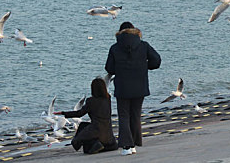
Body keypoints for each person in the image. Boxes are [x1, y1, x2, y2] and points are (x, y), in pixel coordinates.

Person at [105, 22, 161, 156]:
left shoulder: (115, 48)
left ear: (120, 33)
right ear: (134, 30)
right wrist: (144, 66)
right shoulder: (143, 45)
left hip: (122, 87)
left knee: (123, 116)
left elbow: (109, 68)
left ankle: (126, 146)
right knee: (135, 115)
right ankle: (134, 144)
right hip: (139, 85)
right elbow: (157, 61)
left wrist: (120, 69)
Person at [54, 78, 118, 154]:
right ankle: (101, 145)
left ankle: (97, 144)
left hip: (96, 129)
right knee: (84, 126)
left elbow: (79, 113)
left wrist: (63, 113)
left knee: (78, 142)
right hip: (108, 134)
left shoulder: (91, 101)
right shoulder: (108, 99)